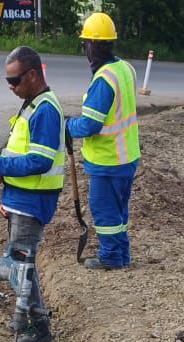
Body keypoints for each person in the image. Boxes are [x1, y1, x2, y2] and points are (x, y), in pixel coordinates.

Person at [0, 46, 65, 342]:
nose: (10, 86)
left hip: (33, 200)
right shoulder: (32, 104)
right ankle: (33, 319)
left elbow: (40, 161)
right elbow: (23, 153)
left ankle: (37, 326)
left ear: (32, 74)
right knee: (21, 263)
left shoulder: (45, 110)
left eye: (14, 80)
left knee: (20, 265)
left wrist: (0, 165)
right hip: (23, 196)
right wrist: (3, 173)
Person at [65, 12, 140, 271]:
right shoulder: (125, 68)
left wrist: (67, 125)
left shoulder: (104, 81)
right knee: (119, 210)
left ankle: (110, 257)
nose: (84, 48)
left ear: (92, 45)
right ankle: (122, 254)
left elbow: (89, 125)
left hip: (108, 160)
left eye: (85, 43)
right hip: (127, 156)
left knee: (105, 210)